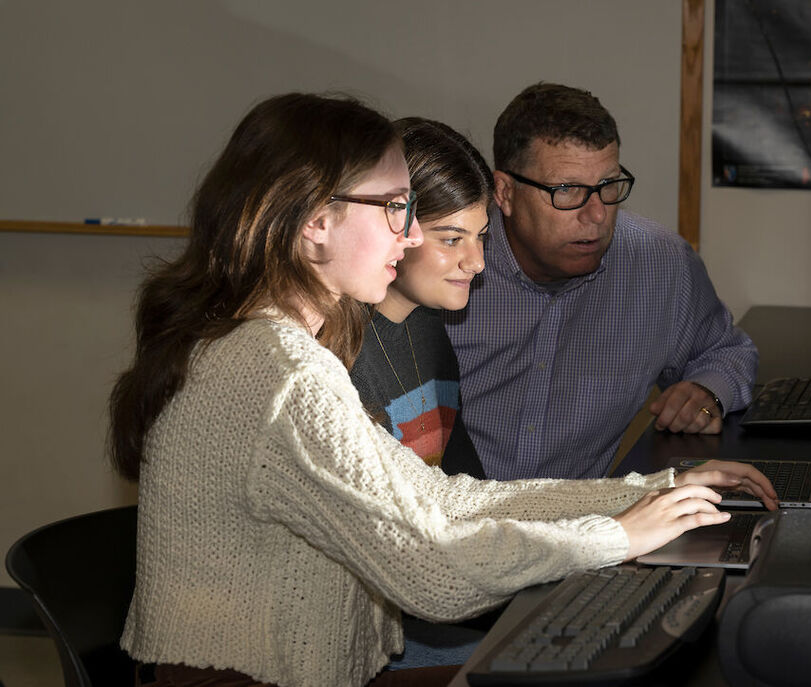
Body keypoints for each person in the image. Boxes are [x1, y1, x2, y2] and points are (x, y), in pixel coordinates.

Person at [108, 93, 777, 687]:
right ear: (314, 222)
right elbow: (432, 569)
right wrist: (616, 536)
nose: (412, 234)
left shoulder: (275, 346)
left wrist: (644, 494)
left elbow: (439, 498)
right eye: (396, 208)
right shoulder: (281, 372)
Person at [443, 82, 759, 480]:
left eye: (608, 187)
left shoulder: (660, 264)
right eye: (567, 191)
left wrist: (707, 391)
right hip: (447, 523)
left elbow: (727, 351)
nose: (596, 216)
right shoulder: (444, 265)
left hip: (588, 523)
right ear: (504, 192)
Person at [350, 117, 490, 479]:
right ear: (396, 227)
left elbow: (465, 481)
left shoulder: (430, 330)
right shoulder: (342, 355)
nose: (477, 263)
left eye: (481, 236)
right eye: (451, 239)